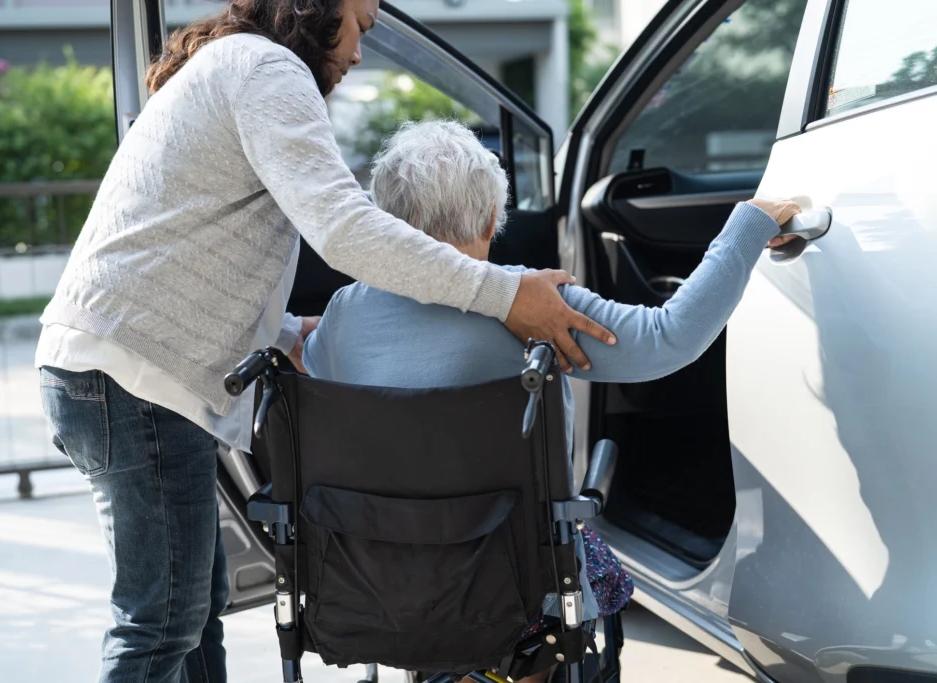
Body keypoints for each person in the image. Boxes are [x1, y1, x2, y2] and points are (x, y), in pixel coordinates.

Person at [35, 1, 618, 681]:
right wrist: (506, 292)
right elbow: (344, 231)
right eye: (363, 25)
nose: (360, 52)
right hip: (132, 380)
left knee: (192, 614)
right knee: (160, 622)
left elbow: (197, 239)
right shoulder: (267, 68)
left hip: (119, 371)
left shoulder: (239, 64)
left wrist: (284, 331)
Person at [302, 120, 801, 678]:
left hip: (379, 580)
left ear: (386, 220)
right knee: (599, 568)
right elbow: (670, 338)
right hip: (520, 591)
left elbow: (316, 375)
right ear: (493, 219)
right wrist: (748, 225)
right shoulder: (531, 305)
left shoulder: (347, 313)